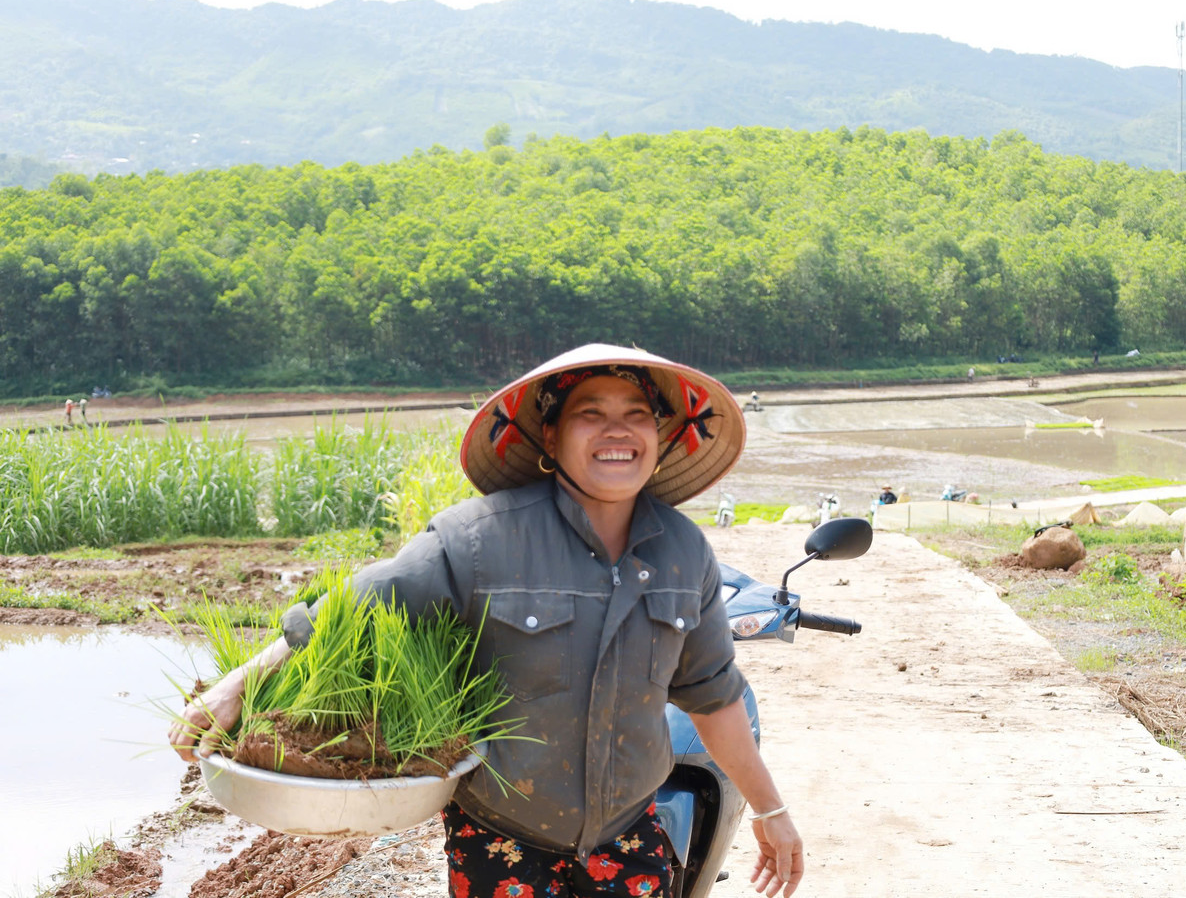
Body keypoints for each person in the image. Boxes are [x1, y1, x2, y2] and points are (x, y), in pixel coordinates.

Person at [169, 343, 803, 898]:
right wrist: (238, 685)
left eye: (637, 414)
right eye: (591, 413)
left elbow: (713, 695)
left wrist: (770, 810)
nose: (618, 430)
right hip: (502, 839)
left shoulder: (685, 552)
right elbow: (355, 606)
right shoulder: (477, 539)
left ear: (659, 438)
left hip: (629, 833)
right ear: (550, 438)